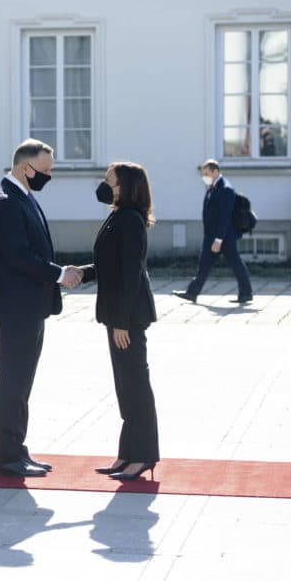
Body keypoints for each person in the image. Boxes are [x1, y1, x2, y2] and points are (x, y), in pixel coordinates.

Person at [0, 139, 80, 477]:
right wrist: (59, 274)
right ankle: (6, 455)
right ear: (27, 167)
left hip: (29, 306)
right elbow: (18, 256)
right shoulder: (6, 201)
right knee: (12, 379)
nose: (48, 177)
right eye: (46, 171)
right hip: (16, 307)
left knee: (21, 381)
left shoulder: (23, 196)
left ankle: (17, 449)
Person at [76, 162, 160, 481]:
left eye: (109, 181)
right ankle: (127, 454)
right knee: (124, 386)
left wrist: (122, 322)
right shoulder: (118, 216)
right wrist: (82, 273)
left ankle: (144, 456)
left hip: (128, 317)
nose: (103, 185)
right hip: (117, 315)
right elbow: (108, 265)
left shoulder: (131, 221)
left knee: (136, 384)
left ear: (124, 187)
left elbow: (131, 274)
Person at [172, 159, 253, 304]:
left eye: (207, 173)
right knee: (204, 264)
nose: (205, 177)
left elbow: (225, 216)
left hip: (223, 237)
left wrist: (218, 240)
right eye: (203, 174)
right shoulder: (214, 187)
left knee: (235, 263)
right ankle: (192, 293)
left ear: (215, 171)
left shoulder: (226, 189)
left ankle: (246, 293)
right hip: (212, 236)